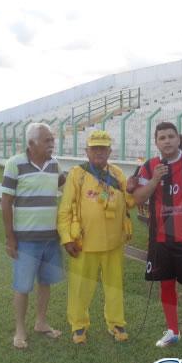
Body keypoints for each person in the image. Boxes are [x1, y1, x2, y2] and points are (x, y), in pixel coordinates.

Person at [132, 121, 182, 359]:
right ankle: (173, 331)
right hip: (160, 239)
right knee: (166, 285)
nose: (166, 141)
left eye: (170, 136)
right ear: (156, 142)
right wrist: (154, 180)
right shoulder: (149, 167)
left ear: (178, 139)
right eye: (162, 137)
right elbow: (137, 199)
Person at [57, 130, 134, 344]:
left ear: (110, 150)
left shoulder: (118, 174)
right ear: (87, 151)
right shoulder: (77, 175)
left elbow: (130, 201)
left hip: (113, 243)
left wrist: (140, 186)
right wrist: (67, 238)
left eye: (103, 148)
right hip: (84, 244)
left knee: (114, 286)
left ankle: (116, 323)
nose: (99, 152)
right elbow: (65, 209)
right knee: (80, 288)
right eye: (95, 148)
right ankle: (78, 325)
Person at [1, 122, 64, 349]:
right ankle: (20, 330)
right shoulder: (14, 164)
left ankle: (41, 322)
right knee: (22, 286)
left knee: (45, 282)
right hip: (26, 240)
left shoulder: (55, 165)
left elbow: (67, 187)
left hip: (51, 238)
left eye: (51, 139)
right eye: (46, 140)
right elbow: (6, 202)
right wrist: (10, 238)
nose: (51, 143)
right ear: (31, 143)